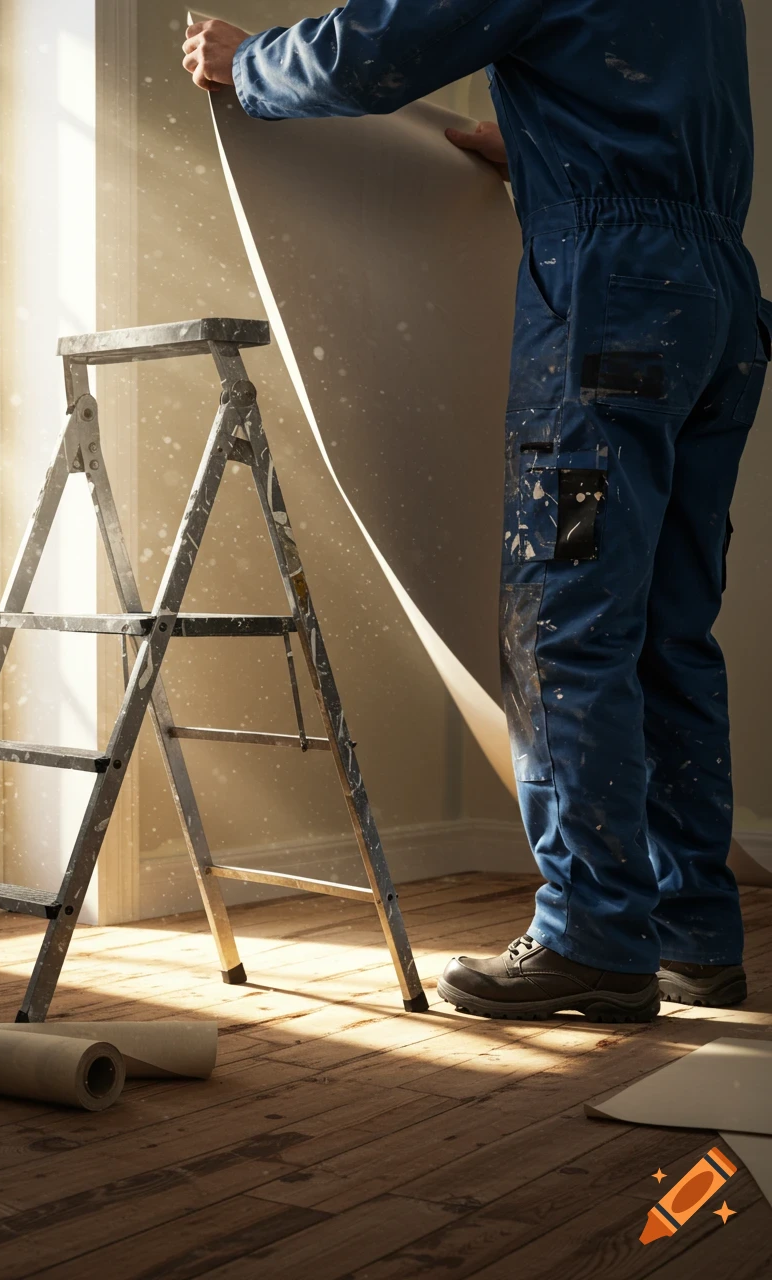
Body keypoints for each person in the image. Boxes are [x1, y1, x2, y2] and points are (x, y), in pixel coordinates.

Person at [182, 3, 770, 1022]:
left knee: (565, 620)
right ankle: (692, 937)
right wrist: (551, 151)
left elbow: (381, 47)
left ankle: (590, 933)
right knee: (669, 632)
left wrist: (251, 65)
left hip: (612, 310)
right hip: (713, 305)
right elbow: (644, 91)